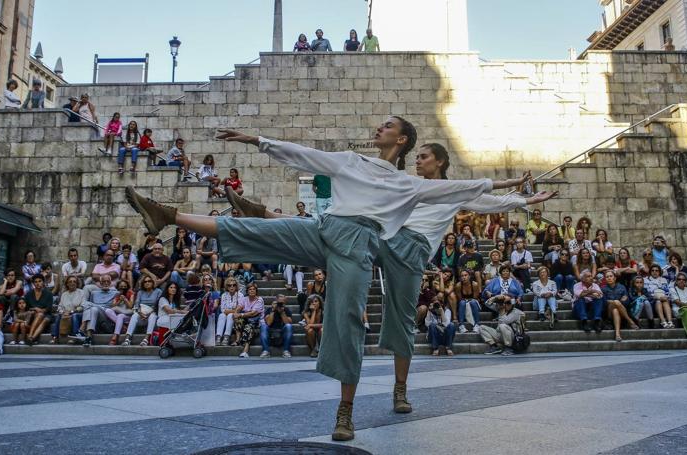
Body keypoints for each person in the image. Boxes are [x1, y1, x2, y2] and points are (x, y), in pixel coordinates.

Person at [125, 117, 531, 442]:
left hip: (360, 245)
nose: (379, 129)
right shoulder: (351, 161)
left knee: (347, 319)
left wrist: (514, 190)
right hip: (327, 229)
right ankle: (168, 215)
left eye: (387, 126)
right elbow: (305, 155)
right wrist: (255, 140)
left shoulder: (411, 185)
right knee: (257, 232)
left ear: (402, 139)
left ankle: (346, 411)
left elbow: (467, 190)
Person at [123, 276, 161, 346]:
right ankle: (127, 338)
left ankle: (146, 339)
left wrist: (148, 314)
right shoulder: (140, 292)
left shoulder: (158, 291)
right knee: (134, 315)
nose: (147, 283)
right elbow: (137, 304)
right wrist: (140, 313)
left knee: (153, 316)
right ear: (143, 284)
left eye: (149, 281)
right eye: (145, 282)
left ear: (152, 282)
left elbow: (157, 305)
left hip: (153, 316)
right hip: (142, 315)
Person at [601, 270, 638, 342]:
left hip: (621, 312)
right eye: (607, 277)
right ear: (605, 279)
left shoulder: (622, 287)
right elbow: (604, 302)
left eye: (611, 276)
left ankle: (617, 334)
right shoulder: (603, 288)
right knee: (615, 303)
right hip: (608, 313)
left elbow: (626, 301)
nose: (609, 278)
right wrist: (616, 302)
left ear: (615, 278)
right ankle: (630, 321)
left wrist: (617, 303)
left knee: (616, 310)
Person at [233, 282, 264, 358]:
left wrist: (240, 314)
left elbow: (253, 313)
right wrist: (236, 313)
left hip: (256, 321)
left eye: (254, 289)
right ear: (247, 291)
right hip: (247, 319)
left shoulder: (259, 300)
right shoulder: (244, 299)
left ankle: (245, 350)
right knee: (238, 320)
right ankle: (237, 340)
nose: (252, 291)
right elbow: (239, 307)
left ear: (256, 291)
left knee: (248, 327)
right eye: (250, 289)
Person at [52, 276, 85, 344]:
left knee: (74, 316)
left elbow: (83, 306)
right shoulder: (64, 294)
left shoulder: (81, 292)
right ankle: (55, 337)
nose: (72, 283)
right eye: (70, 281)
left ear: (77, 283)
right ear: (67, 284)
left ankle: (74, 337)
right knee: (59, 315)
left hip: (78, 313)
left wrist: (71, 312)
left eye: (74, 281)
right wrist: (63, 312)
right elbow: (60, 306)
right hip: (66, 313)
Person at [24, 274, 55, 344]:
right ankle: (31, 337)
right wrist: (35, 309)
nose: (38, 283)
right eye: (36, 282)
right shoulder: (29, 294)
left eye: (40, 281)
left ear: (43, 282)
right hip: (33, 315)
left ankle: (31, 337)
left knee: (43, 317)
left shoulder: (49, 294)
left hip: (47, 314)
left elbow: (49, 308)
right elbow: (26, 307)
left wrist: (41, 310)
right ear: (33, 283)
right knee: (39, 315)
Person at [644, 264, 674, 328]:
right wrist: (658, 297)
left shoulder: (663, 280)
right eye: (653, 270)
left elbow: (667, 291)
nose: (654, 272)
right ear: (650, 272)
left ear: (659, 272)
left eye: (656, 270)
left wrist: (666, 297)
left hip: (664, 299)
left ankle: (670, 321)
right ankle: (663, 321)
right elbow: (647, 293)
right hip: (653, 300)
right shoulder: (646, 280)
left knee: (665, 301)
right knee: (658, 301)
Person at [455, 269, 481, 334]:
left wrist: (468, 301)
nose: (464, 277)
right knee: (462, 302)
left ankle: (477, 324)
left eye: (465, 275)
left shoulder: (474, 284)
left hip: (473, 302)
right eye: (462, 276)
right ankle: (461, 325)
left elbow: (475, 298)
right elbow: (460, 299)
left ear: (469, 276)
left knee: (473, 302)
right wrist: (465, 301)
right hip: (463, 304)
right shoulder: (458, 285)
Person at [670, 273, 687, 339]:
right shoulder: (673, 289)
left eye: (683, 280)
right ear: (676, 281)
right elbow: (678, 302)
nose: (681, 281)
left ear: (686, 281)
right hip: (678, 309)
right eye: (679, 279)